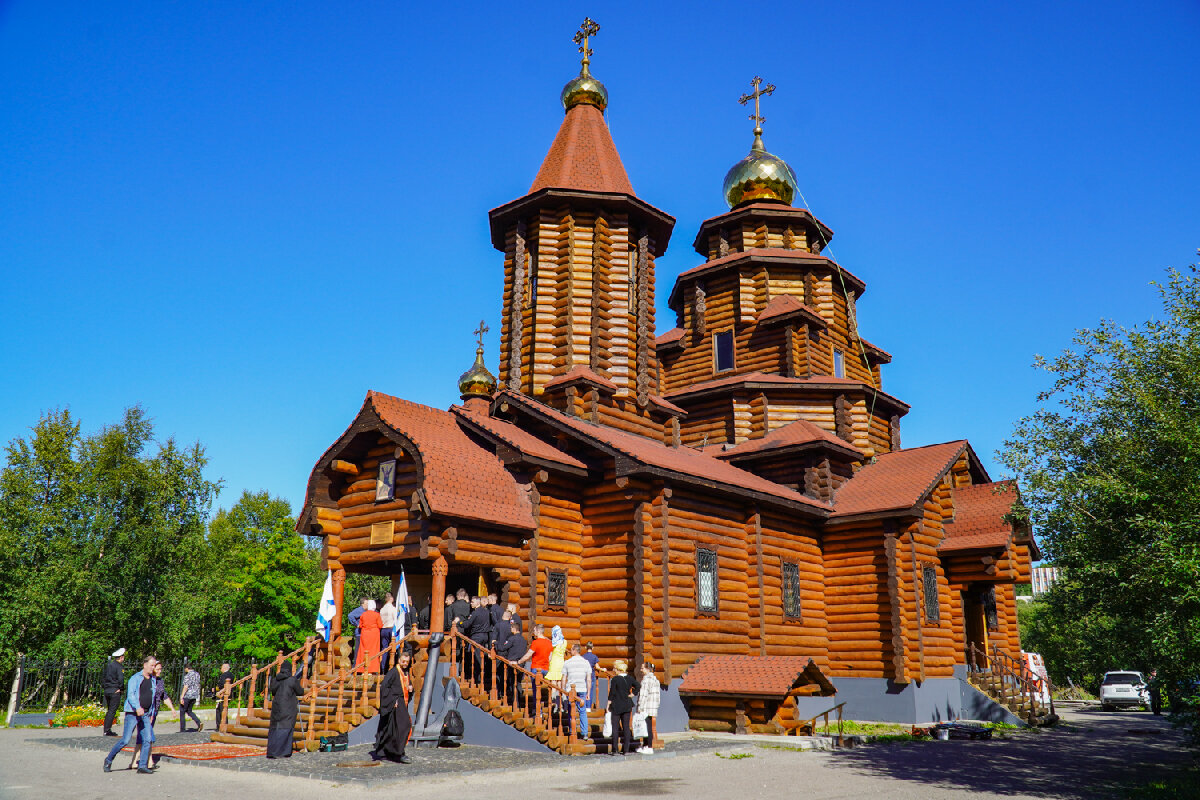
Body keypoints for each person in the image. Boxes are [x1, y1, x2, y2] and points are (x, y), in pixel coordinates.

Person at [103, 655, 157, 774]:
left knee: (147, 739)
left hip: (146, 713)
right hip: (133, 713)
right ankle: (108, 759)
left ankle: (142, 765)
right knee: (125, 740)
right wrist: (137, 707)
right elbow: (131, 695)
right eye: (151, 665)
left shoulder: (153, 680)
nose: (153, 668)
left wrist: (152, 712)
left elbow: (153, 697)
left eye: (154, 666)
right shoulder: (135, 678)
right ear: (145, 665)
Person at [128, 661, 174, 770]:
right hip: (145, 713)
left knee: (143, 737)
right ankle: (148, 762)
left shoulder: (160, 681)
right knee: (147, 737)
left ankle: (135, 761)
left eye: (160, 669)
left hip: (154, 713)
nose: (159, 671)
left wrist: (172, 709)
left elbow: (164, 696)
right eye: (157, 669)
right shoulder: (147, 680)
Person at [371, 650, 413, 763]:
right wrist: (391, 700)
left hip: (402, 703)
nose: (405, 663)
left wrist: (410, 688)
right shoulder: (393, 672)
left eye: (407, 662)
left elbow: (407, 685)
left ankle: (388, 752)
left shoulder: (406, 672)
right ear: (399, 660)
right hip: (395, 703)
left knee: (393, 729)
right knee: (404, 726)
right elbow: (384, 687)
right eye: (403, 661)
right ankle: (400, 753)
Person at [265, 660, 303, 759]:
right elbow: (300, 691)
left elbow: (272, 691)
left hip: (277, 707)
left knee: (275, 729)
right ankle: (283, 752)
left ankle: (272, 751)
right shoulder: (292, 680)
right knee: (286, 728)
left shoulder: (275, 679)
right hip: (288, 707)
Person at [606, 659, 639, 756]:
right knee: (626, 728)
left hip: (616, 705)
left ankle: (615, 750)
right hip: (627, 704)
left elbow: (612, 693)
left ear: (618, 669)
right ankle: (626, 750)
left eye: (614, 668)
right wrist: (633, 694)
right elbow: (638, 685)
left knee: (615, 728)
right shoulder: (630, 678)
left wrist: (608, 704)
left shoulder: (615, 679)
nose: (613, 670)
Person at [561, 644, 593, 739]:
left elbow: (564, 678)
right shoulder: (586, 662)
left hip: (571, 690)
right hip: (582, 688)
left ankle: (572, 730)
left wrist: (563, 690)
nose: (570, 651)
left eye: (571, 649)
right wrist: (588, 692)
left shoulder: (567, 662)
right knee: (582, 711)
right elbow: (588, 679)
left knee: (571, 710)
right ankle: (585, 733)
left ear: (575, 650)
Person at [634, 662, 661, 754]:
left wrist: (640, 707)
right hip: (652, 707)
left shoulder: (646, 680)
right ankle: (646, 745)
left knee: (646, 727)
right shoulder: (655, 679)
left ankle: (649, 746)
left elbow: (643, 695)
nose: (641, 670)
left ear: (647, 669)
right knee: (647, 726)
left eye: (642, 668)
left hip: (646, 707)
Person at [501, 619, 528, 707]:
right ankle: (518, 702)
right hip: (521, 664)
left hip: (512, 664)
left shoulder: (512, 639)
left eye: (511, 628)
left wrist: (496, 644)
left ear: (514, 629)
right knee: (518, 682)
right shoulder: (524, 640)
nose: (510, 630)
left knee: (513, 683)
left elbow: (503, 648)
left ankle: (515, 703)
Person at [102, 648, 126, 736]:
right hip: (115, 690)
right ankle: (107, 730)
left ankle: (106, 729)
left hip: (107, 690)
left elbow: (103, 677)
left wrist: (105, 687)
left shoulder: (109, 665)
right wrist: (121, 688)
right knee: (112, 710)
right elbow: (121, 679)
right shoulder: (119, 667)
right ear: (121, 657)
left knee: (109, 711)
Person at [356, 599, 383, 673]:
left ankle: (361, 669)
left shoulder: (363, 614)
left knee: (363, 650)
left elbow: (360, 625)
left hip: (365, 634)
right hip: (374, 634)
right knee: (374, 651)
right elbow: (380, 625)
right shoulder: (377, 615)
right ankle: (372, 669)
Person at [180, 665, 203, 732]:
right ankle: (198, 722)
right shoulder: (197, 674)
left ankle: (182, 728)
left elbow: (186, 687)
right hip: (194, 695)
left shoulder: (187, 676)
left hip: (187, 695)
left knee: (182, 711)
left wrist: (182, 696)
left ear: (187, 668)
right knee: (189, 710)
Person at [379, 592, 398, 673]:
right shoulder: (393, 609)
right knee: (393, 648)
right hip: (391, 629)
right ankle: (391, 667)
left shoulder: (382, 609)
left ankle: (383, 667)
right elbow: (395, 620)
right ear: (391, 599)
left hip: (383, 629)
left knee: (384, 649)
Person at [348, 597, 368, 664]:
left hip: (364, 633)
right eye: (366, 604)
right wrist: (357, 624)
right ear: (363, 604)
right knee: (358, 650)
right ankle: (355, 666)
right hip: (359, 633)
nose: (368, 605)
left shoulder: (365, 611)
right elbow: (350, 615)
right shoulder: (359, 610)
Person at [215, 662, 234, 729]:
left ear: (224, 668)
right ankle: (225, 724)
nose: (221, 669)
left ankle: (220, 725)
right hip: (229, 694)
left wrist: (218, 690)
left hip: (222, 694)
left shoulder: (224, 675)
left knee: (220, 710)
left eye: (221, 667)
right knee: (224, 710)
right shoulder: (231, 674)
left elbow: (223, 684)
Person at [582, 641, 600, 709]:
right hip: (591, 675)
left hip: (584, 676)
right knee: (590, 691)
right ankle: (588, 707)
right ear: (592, 648)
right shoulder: (594, 657)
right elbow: (597, 666)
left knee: (584, 691)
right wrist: (603, 669)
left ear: (586, 647)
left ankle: (583, 705)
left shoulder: (583, 656)